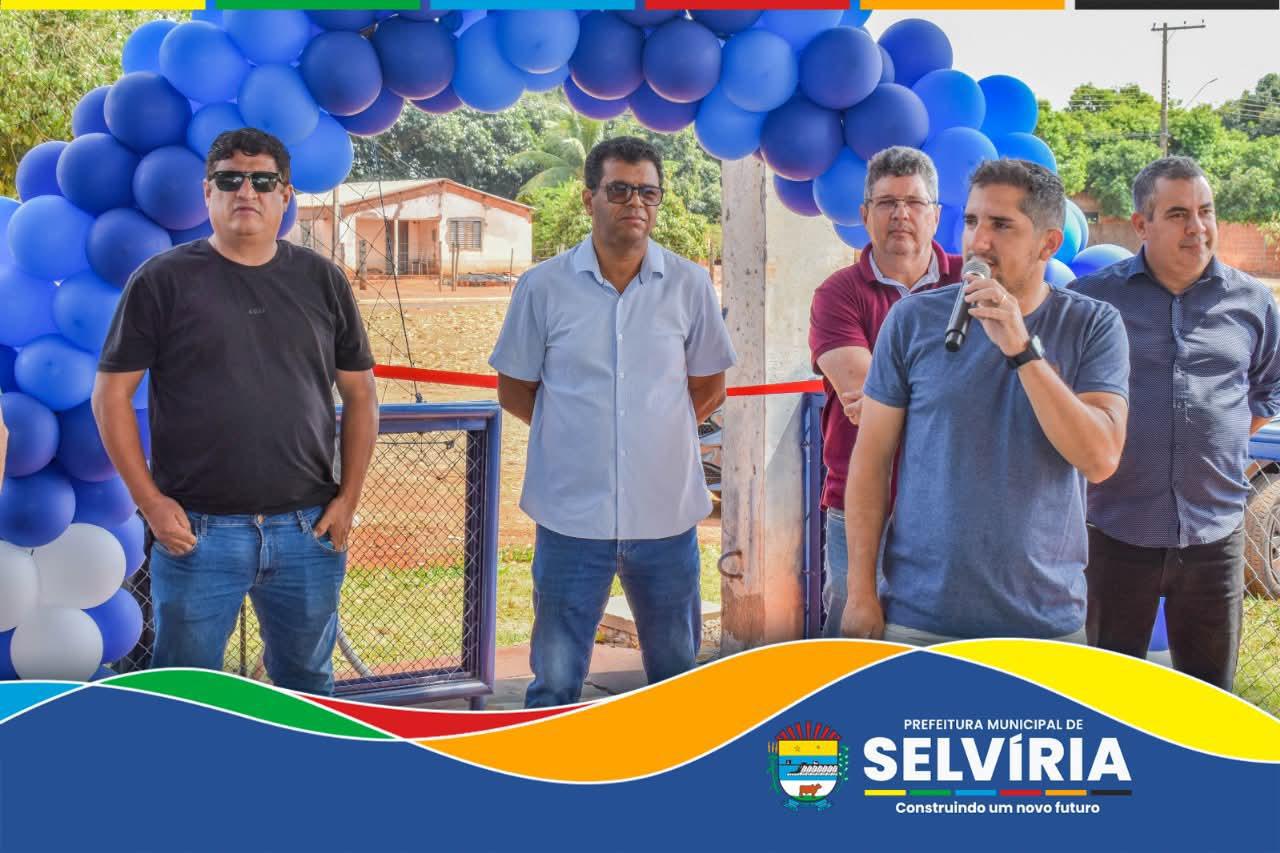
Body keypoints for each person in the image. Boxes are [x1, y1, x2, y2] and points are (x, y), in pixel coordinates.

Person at [92, 128, 378, 696]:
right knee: (187, 694)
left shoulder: (322, 281)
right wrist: (151, 504)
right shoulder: (161, 281)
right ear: (208, 192)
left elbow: (362, 394)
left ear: (285, 195)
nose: (246, 191)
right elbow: (110, 397)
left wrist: (348, 500)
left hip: (308, 530)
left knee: (307, 689)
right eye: (229, 179)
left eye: (263, 180)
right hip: (196, 533)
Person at [489, 136, 736, 708]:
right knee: (555, 682)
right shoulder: (543, 287)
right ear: (589, 198)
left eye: (648, 192)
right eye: (619, 190)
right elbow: (515, 388)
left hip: (665, 517)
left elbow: (709, 385)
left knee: (676, 677)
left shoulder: (689, 285)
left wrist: (654, 431)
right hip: (571, 518)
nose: (635, 203)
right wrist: (580, 431)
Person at [842, 159, 1130, 645]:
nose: (978, 241)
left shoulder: (1093, 325)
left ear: (1048, 244)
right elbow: (870, 462)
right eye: (972, 221)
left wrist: (1021, 348)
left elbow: (1100, 459)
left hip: (1045, 621)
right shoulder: (912, 320)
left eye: (1001, 225)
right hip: (919, 615)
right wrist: (860, 592)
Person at [1071, 156, 1280, 690]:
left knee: (1209, 698)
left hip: (1215, 535)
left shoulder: (1254, 301)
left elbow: (1268, 389)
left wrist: (1215, 441)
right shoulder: (1095, 301)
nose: (1198, 227)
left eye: (1205, 211)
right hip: (1115, 532)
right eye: (1179, 214)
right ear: (1141, 224)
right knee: (1108, 694)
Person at [808, 146, 962, 637]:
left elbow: (884, 402)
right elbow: (866, 405)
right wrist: (953, 395)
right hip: (858, 509)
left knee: (946, 651)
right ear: (864, 215)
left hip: (956, 506)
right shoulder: (837, 294)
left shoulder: (970, 284)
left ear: (935, 215)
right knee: (858, 652)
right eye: (887, 202)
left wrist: (892, 396)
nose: (901, 214)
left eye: (914, 202)